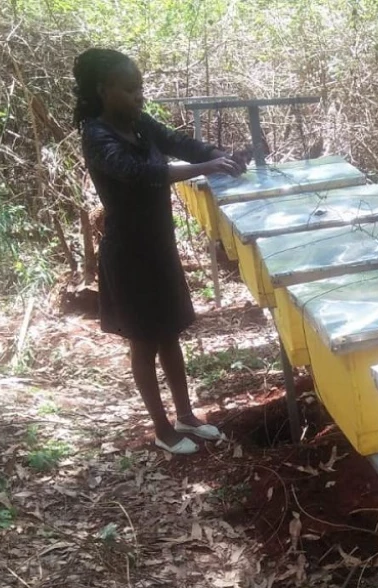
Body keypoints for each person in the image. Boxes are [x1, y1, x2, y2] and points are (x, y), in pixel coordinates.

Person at [73, 48, 248, 455]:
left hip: (158, 246)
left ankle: (186, 416)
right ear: (103, 90)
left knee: (169, 332)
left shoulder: (139, 123)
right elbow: (142, 173)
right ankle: (162, 429)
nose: (139, 97)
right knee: (145, 342)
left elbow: (178, 143)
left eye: (140, 88)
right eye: (130, 89)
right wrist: (206, 169)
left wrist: (217, 155)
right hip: (129, 253)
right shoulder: (96, 135)